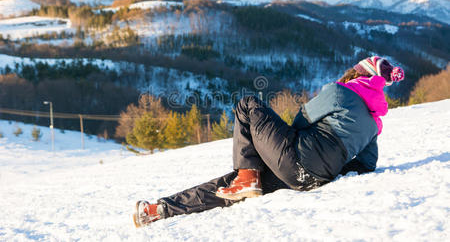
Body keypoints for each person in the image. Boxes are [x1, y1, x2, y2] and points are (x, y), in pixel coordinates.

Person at [133, 56, 405, 227]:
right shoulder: (373, 126)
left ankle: (244, 178)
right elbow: (367, 165)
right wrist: (328, 167)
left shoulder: (340, 93)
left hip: (296, 157)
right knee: (238, 181)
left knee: (247, 104)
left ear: (359, 74)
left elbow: (301, 121)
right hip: (312, 177)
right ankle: (159, 210)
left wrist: (275, 145)